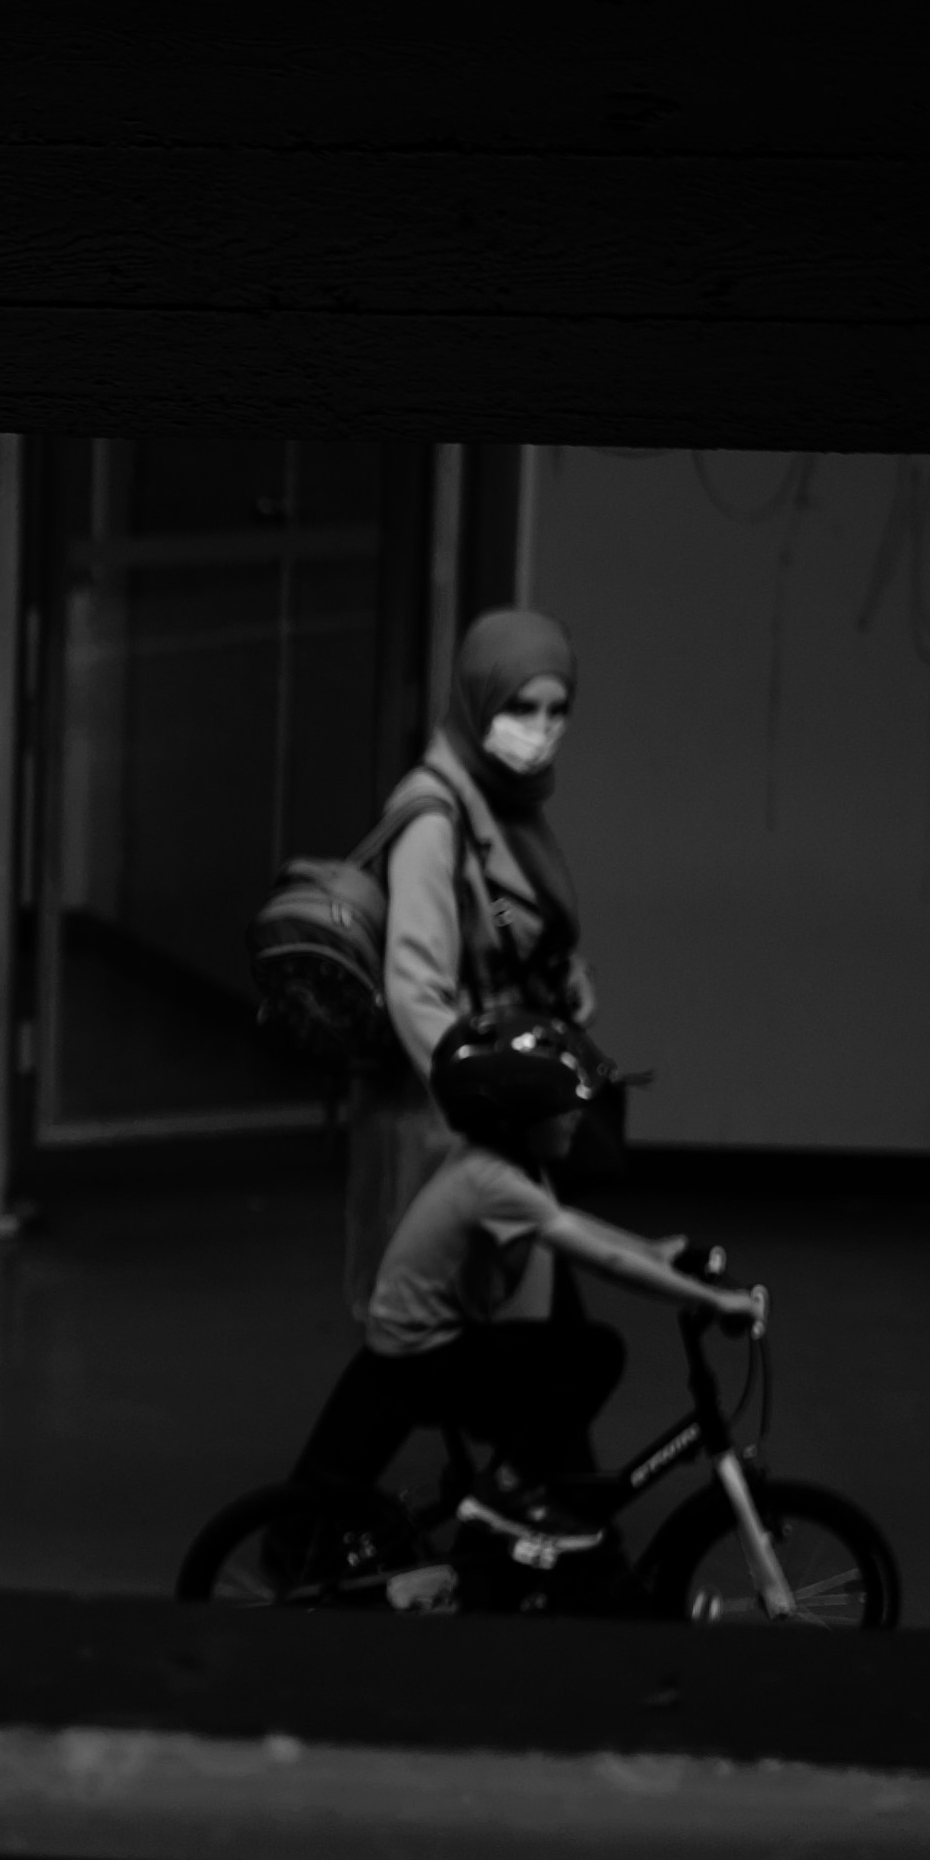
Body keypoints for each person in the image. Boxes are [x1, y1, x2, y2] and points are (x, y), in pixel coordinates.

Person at [295, 1002, 758, 1559]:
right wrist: (714, 1300)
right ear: (518, 1117)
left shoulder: (501, 1161)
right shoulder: (494, 1182)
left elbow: (567, 1223)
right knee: (594, 1355)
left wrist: (652, 1250)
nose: (575, 1118)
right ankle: (508, 1492)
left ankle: (518, 1494)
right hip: (423, 1360)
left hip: (426, 1342)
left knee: (559, 1356)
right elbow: (599, 1261)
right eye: (562, 1108)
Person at [343, 599, 596, 1325]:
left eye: (558, 711)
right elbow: (416, 991)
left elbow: (522, 928)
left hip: (507, 1108)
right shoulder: (434, 818)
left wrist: (567, 986)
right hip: (455, 1120)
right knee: (482, 1342)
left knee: (528, 1342)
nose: (541, 732)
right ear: (479, 698)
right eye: (521, 707)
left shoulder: (507, 809)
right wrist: (489, 1105)